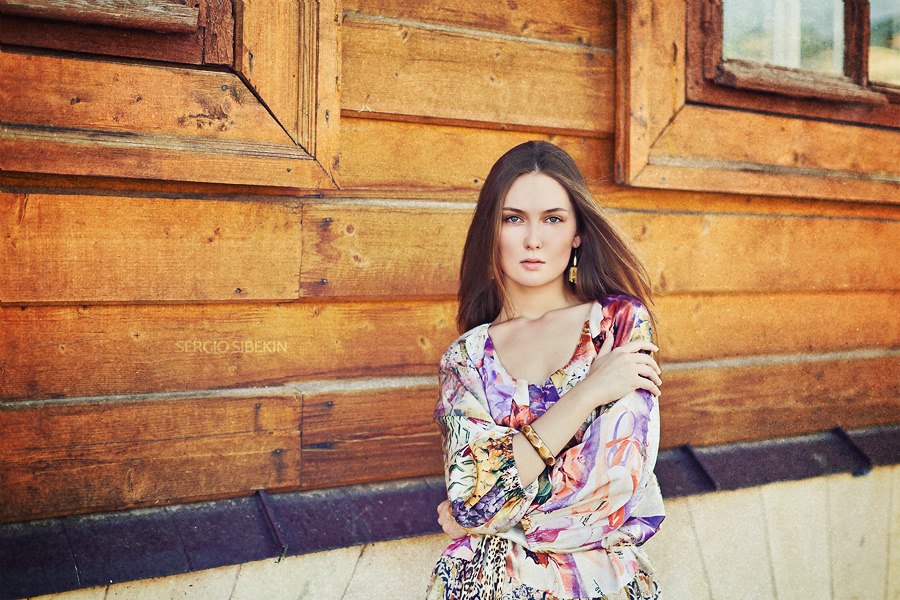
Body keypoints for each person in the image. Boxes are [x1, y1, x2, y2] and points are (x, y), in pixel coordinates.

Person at [425, 141, 665, 600]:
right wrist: (587, 394)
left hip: (597, 584)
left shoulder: (616, 324)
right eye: (514, 218)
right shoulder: (466, 358)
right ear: (491, 230)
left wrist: (487, 509)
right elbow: (474, 502)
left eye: (553, 219)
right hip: (485, 587)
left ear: (577, 233)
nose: (533, 239)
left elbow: (612, 489)